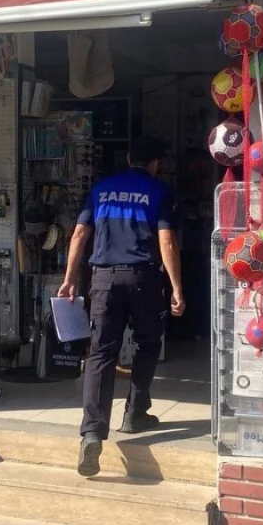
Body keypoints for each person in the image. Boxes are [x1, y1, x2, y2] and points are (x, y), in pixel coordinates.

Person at [59, 135, 184, 477]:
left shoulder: (101, 190)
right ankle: (135, 412)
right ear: (155, 164)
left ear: (129, 158)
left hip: (103, 279)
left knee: (100, 353)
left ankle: (92, 432)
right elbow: (166, 239)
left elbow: (79, 234)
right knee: (148, 343)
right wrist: (176, 286)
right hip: (143, 278)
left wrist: (70, 278)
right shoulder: (159, 191)